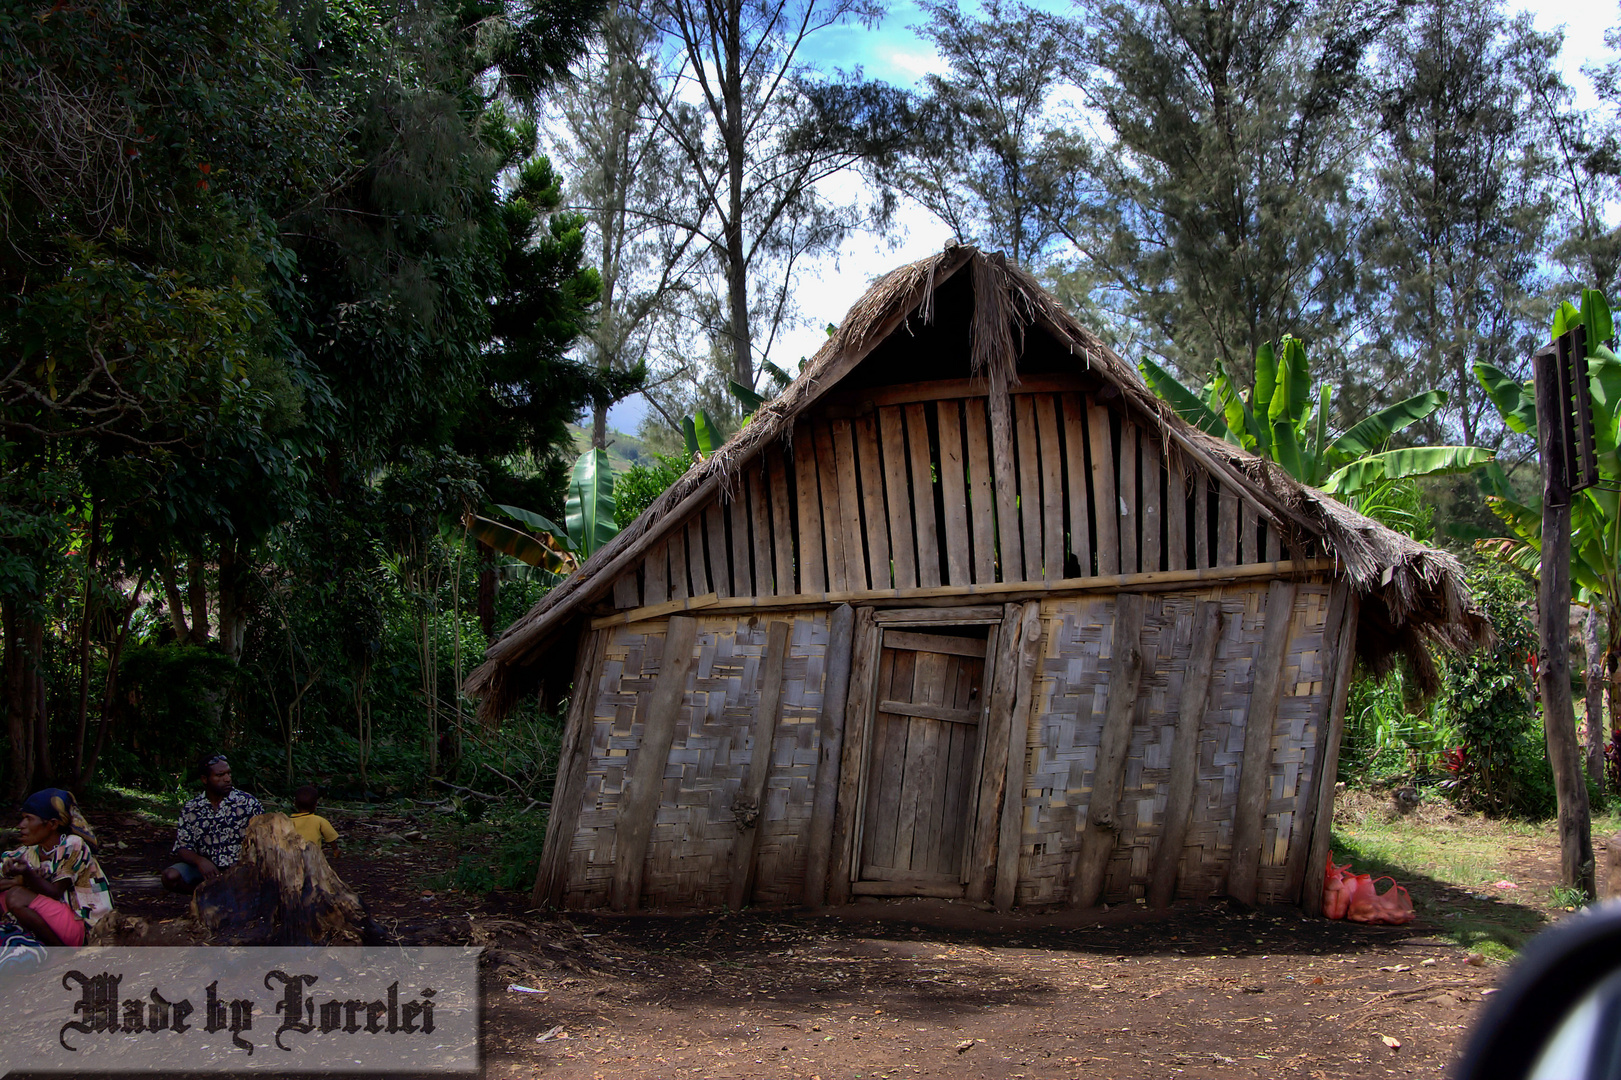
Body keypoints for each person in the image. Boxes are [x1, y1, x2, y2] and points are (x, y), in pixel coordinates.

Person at [0, 789, 113, 948]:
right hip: (57, 921)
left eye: (28, 819)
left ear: (52, 824)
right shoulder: (29, 852)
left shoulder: (73, 845)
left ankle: (60, 953)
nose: (21, 825)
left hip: (83, 927)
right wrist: (17, 879)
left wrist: (25, 877)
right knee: (4, 894)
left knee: (16, 896)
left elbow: (55, 891)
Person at [162, 754, 264, 894]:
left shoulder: (247, 803)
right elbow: (183, 846)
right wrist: (200, 861)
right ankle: (203, 896)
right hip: (206, 871)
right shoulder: (192, 808)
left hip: (240, 869)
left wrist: (243, 864)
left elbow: (263, 841)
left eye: (228, 774)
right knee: (170, 877)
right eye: (220, 775)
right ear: (205, 779)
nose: (227, 779)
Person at [289, 785, 340, 858]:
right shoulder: (319, 820)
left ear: (295, 804)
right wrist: (336, 849)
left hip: (292, 856)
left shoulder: (288, 821)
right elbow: (331, 837)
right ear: (315, 804)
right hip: (313, 856)